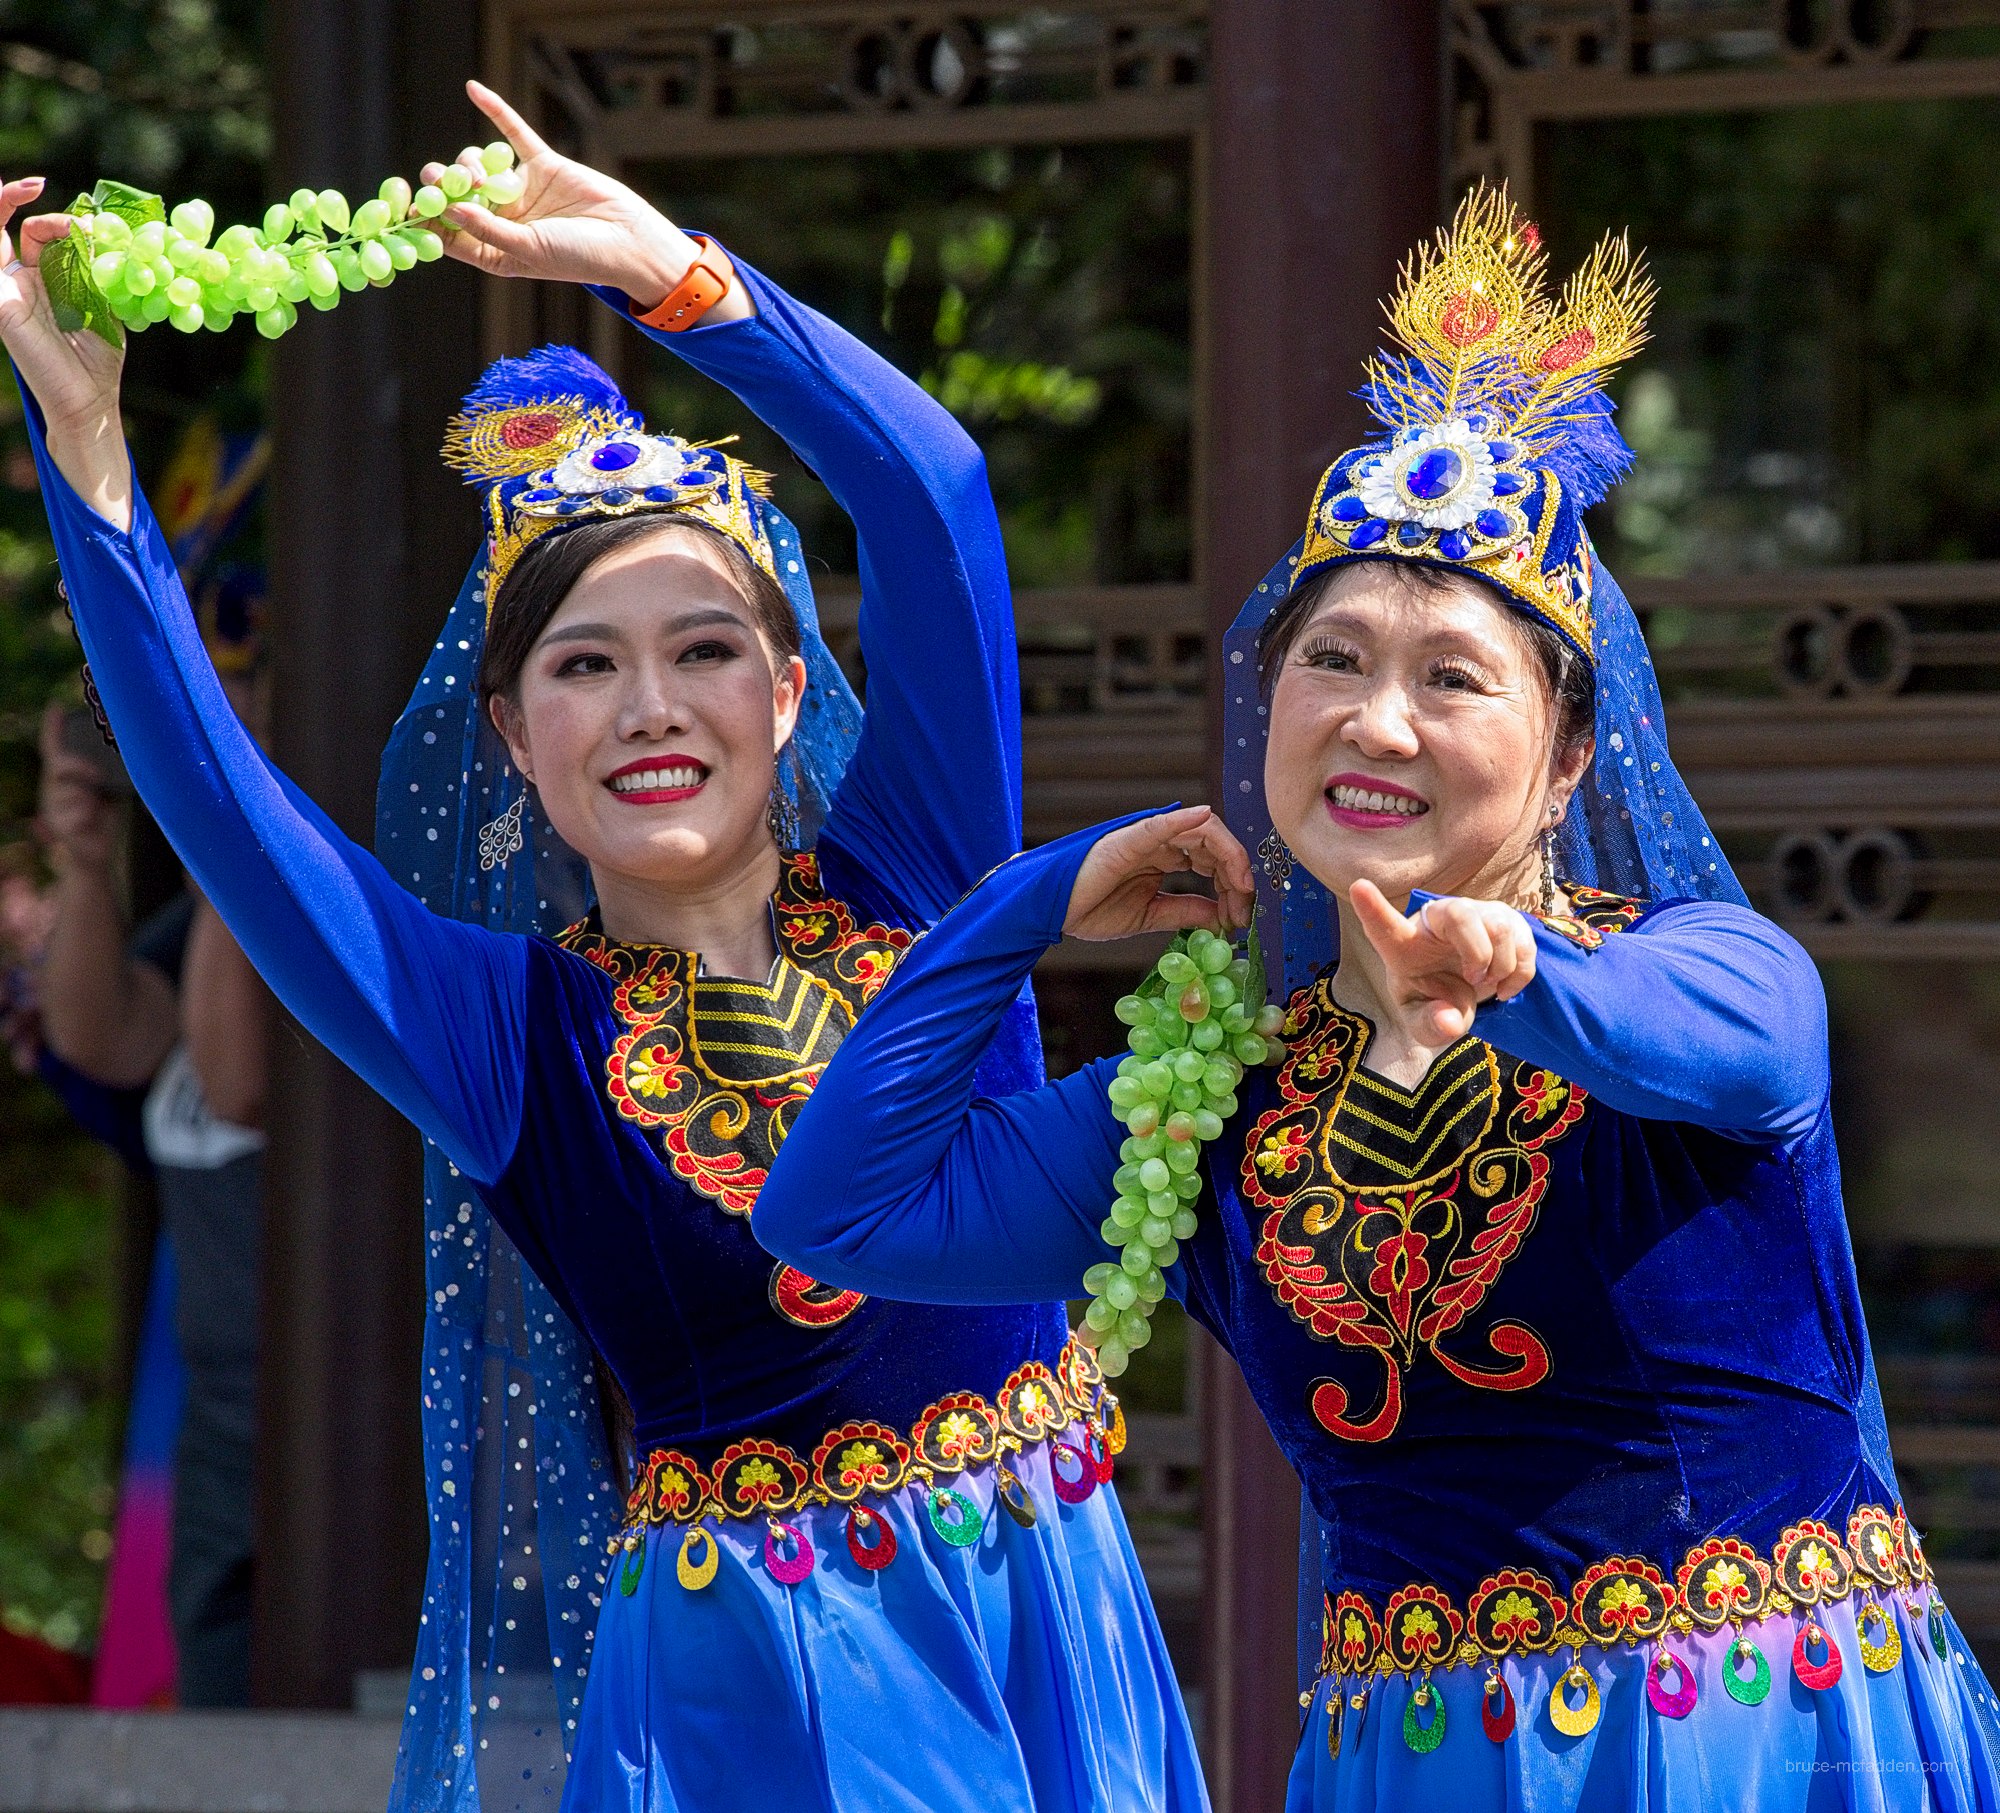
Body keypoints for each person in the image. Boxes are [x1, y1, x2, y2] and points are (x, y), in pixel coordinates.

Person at [0, 75, 1202, 1813]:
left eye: (706, 649)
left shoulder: (923, 877)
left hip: (1046, 1617)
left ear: (790, 694)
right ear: (513, 738)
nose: (653, 705)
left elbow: (935, 492)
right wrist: (89, 451)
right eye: (583, 663)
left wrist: (673, 274)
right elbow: (218, 800)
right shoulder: (500, 1032)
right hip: (758, 1693)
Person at [756, 187, 2000, 1808]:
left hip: (1748, 1751)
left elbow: (1728, 1043)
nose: (1375, 720)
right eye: (1330, 661)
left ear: (1565, 758)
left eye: (1450, 676)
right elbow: (834, 1211)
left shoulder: (1710, 965)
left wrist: (1517, 970)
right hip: (1412, 1768)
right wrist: (1023, 905)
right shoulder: (1214, 1103)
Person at [34, 688, 269, 1710]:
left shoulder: (340, 892)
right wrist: (84, 858)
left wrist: (235, 820)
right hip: (217, 1415)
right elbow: (99, 1035)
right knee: (213, 1682)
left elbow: (236, 1078)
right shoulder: (198, 913)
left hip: (338, 1411)